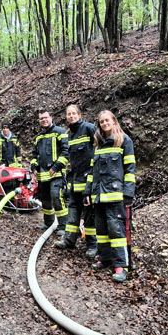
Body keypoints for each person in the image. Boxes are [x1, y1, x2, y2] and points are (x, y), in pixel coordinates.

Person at [84, 109, 136, 283]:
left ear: (114, 121)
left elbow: (130, 169)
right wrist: (88, 192)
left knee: (117, 230)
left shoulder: (124, 141)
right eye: (102, 121)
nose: (105, 124)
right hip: (98, 195)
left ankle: (121, 266)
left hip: (115, 195)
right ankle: (104, 258)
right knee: (101, 229)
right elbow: (93, 171)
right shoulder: (98, 144)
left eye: (107, 120)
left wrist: (128, 193)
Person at [55, 104, 97, 258]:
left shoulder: (89, 128)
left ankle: (92, 245)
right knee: (72, 212)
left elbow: (98, 149)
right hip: (75, 180)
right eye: (69, 114)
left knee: (89, 214)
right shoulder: (70, 134)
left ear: (79, 115)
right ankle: (69, 240)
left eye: (74, 113)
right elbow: (71, 159)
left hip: (88, 180)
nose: (71, 116)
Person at [31, 109, 69, 236]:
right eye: (41, 118)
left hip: (56, 174)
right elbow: (34, 155)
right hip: (42, 175)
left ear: (51, 118)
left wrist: (56, 166)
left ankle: (63, 226)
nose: (44, 120)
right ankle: (48, 223)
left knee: (56, 197)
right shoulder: (38, 137)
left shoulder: (60, 132)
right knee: (45, 200)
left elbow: (66, 151)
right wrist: (34, 168)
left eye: (46, 117)